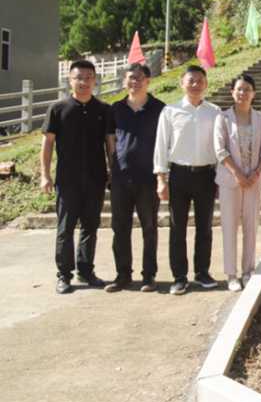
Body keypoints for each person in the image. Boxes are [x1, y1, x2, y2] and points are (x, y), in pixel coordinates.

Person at [40, 60, 113, 294]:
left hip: (95, 178)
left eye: (88, 77)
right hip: (67, 180)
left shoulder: (103, 110)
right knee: (65, 228)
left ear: (95, 80)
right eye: (78, 77)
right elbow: (47, 144)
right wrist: (45, 175)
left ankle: (86, 270)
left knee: (90, 226)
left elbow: (110, 144)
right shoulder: (58, 109)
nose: (84, 82)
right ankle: (64, 275)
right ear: (70, 80)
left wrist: (112, 171)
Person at [154, 65, 221, 296]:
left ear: (206, 84)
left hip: (206, 176)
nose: (195, 84)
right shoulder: (170, 111)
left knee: (205, 227)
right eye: (191, 80)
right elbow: (161, 146)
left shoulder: (214, 112)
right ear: (182, 83)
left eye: (200, 80)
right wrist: (161, 179)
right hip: (179, 175)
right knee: (177, 228)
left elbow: (220, 146)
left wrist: (220, 177)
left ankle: (202, 272)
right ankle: (179, 277)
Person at [105, 63, 165, 293]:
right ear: (124, 81)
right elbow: (110, 140)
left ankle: (149, 276)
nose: (134, 82)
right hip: (121, 178)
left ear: (148, 81)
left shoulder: (159, 108)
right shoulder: (116, 108)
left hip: (148, 178)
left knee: (149, 227)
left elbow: (165, 142)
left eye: (139, 78)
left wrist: (162, 176)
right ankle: (123, 275)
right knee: (120, 228)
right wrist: (111, 167)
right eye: (130, 77)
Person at [214, 74, 261, 292]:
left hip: (254, 180)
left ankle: (248, 271)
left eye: (247, 89)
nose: (242, 93)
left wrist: (256, 173)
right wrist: (238, 174)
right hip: (230, 180)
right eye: (239, 89)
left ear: (253, 93)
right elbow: (220, 150)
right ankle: (231, 274)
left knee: (251, 226)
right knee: (229, 226)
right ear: (232, 92)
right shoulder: (223, 118)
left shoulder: (260, 119)